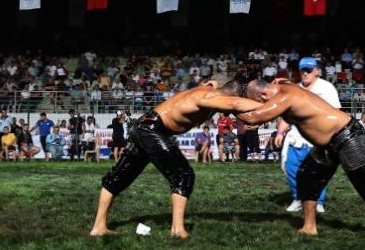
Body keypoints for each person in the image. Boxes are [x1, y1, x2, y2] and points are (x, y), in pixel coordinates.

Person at [89, 80, 263, 239]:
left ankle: (98, 227)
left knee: (118, 177)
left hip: (145, 127)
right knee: (183, 175)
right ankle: (177, 230)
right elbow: (235, 103)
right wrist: (273, 105)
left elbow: (238, 109)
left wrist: (257, 117)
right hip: (152, 129)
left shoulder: (210, 94)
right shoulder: (209, 95)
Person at [238, 78, 365, 241]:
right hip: (329, 142)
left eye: (258, 101)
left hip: (347, 135)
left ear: (264, 95)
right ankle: (309, 227)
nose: (261, 105)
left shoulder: (285, 95)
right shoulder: (283, 89)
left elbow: (253, 117)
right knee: (306, 176)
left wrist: (217, 102)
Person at [281, 57, 341, 213]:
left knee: (317, 172)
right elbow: (287, 114)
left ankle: (317, 201)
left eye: (309, 70)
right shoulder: (295, 89)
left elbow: (336, 112)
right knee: (291, 168)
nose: (305, 73)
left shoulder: (327, 88)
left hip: (318, 138)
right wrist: (280, 131)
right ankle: (298, 198)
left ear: (317, 71)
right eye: (303, 70)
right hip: (297, 137)